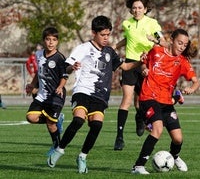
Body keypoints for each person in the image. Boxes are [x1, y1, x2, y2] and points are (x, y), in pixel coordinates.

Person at [47, 15, 141, 174]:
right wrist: (73, 67)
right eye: (102, 35)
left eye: (108, 35)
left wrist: (141, 61)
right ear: (93, 33)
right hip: (82, 90)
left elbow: (124, 67)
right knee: (78, 120)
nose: (106, 38)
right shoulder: (83, 48)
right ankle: (60, 149)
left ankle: (82, 156)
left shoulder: (110, 52)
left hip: (100, 96)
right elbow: (66, 67)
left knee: (96, 125)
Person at [131, 28, 200, 174]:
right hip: (149, 96)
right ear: (172, 40)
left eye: (184, 45)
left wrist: (192, 88)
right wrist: (144, 69)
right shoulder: (156, 51)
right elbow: (143, 62)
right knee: (157, 129)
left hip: (166, 102)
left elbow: (196, 81)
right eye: (179, 43)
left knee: (178, 139)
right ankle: (138, 166)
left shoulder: (182, 62)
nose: (182, 47)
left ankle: (174, 156)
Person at [113, 0, 167, 151]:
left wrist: (155, 39)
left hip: (147, 64)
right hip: (130, 64)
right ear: (131, 9)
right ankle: (119, 137)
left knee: (141, 101)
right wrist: (115, 46)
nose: (136, 10)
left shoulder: (152, 24)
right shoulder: (127, 23)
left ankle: (139, 118)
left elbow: (163, 42)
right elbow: (128, 38)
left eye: (140, 7)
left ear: (145, 9)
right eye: (134, 8)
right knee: (127, 100)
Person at [25, 27, 68, 157]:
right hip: (43, 95)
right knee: (31, 117)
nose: (51, 42)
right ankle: (57, 119)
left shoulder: (60, 58)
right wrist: (32, 85)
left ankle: (57, 148)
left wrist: (60, 86)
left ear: (57, 42)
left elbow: (64, 76)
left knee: (50, 124)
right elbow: (39, 72)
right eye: (48, 39)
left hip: (56, 95)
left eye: (54, 40)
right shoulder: (38, 54)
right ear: (44, 40)